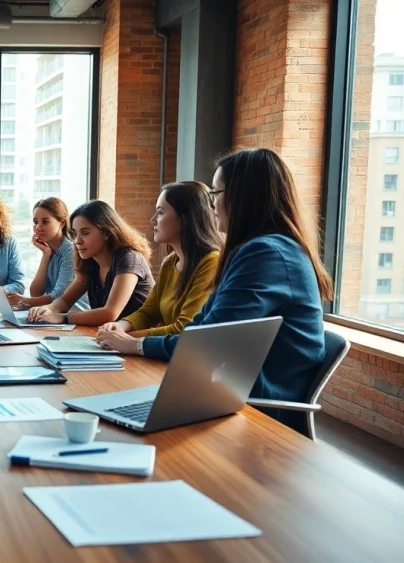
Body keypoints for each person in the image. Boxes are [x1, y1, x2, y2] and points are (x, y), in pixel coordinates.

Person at [108, 148, 332, 435]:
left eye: (216, 193)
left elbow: (206, 345)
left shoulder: (267, 254)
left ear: (243, 197)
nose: (211, 204)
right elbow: (201, 327)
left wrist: (135, 345)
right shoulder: (255, 250)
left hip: (258, 410)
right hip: (230, 389)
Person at [95, 181, 222, 352]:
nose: (153, 219)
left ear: (186, 219)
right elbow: (149, 312)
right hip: (162, 355)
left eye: (160, 212)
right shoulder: (170, 262)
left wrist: (126, 339)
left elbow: (184, 328)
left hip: (183, 357)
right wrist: (119, 326)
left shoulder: (211, 263)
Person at [27, 200, 154, 326]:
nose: (77, 241)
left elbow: (110, 313)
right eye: (74, 234)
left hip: (139, 340)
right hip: (109, 338)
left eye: (85, 233)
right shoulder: (91, 262)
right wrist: (48, 310)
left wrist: (62, 317)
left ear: (106, 232)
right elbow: (65, 301)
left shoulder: (129, 258)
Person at [6, 197, 89, 311]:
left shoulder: (70, 251)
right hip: (55, 315)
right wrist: (45, 255)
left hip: (75, 317)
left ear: (62, 223)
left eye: (45, 222)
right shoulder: (50, 251)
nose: (38, 227)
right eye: (35, 222)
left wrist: (25, 301)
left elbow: (59, 295)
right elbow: (36, 293)